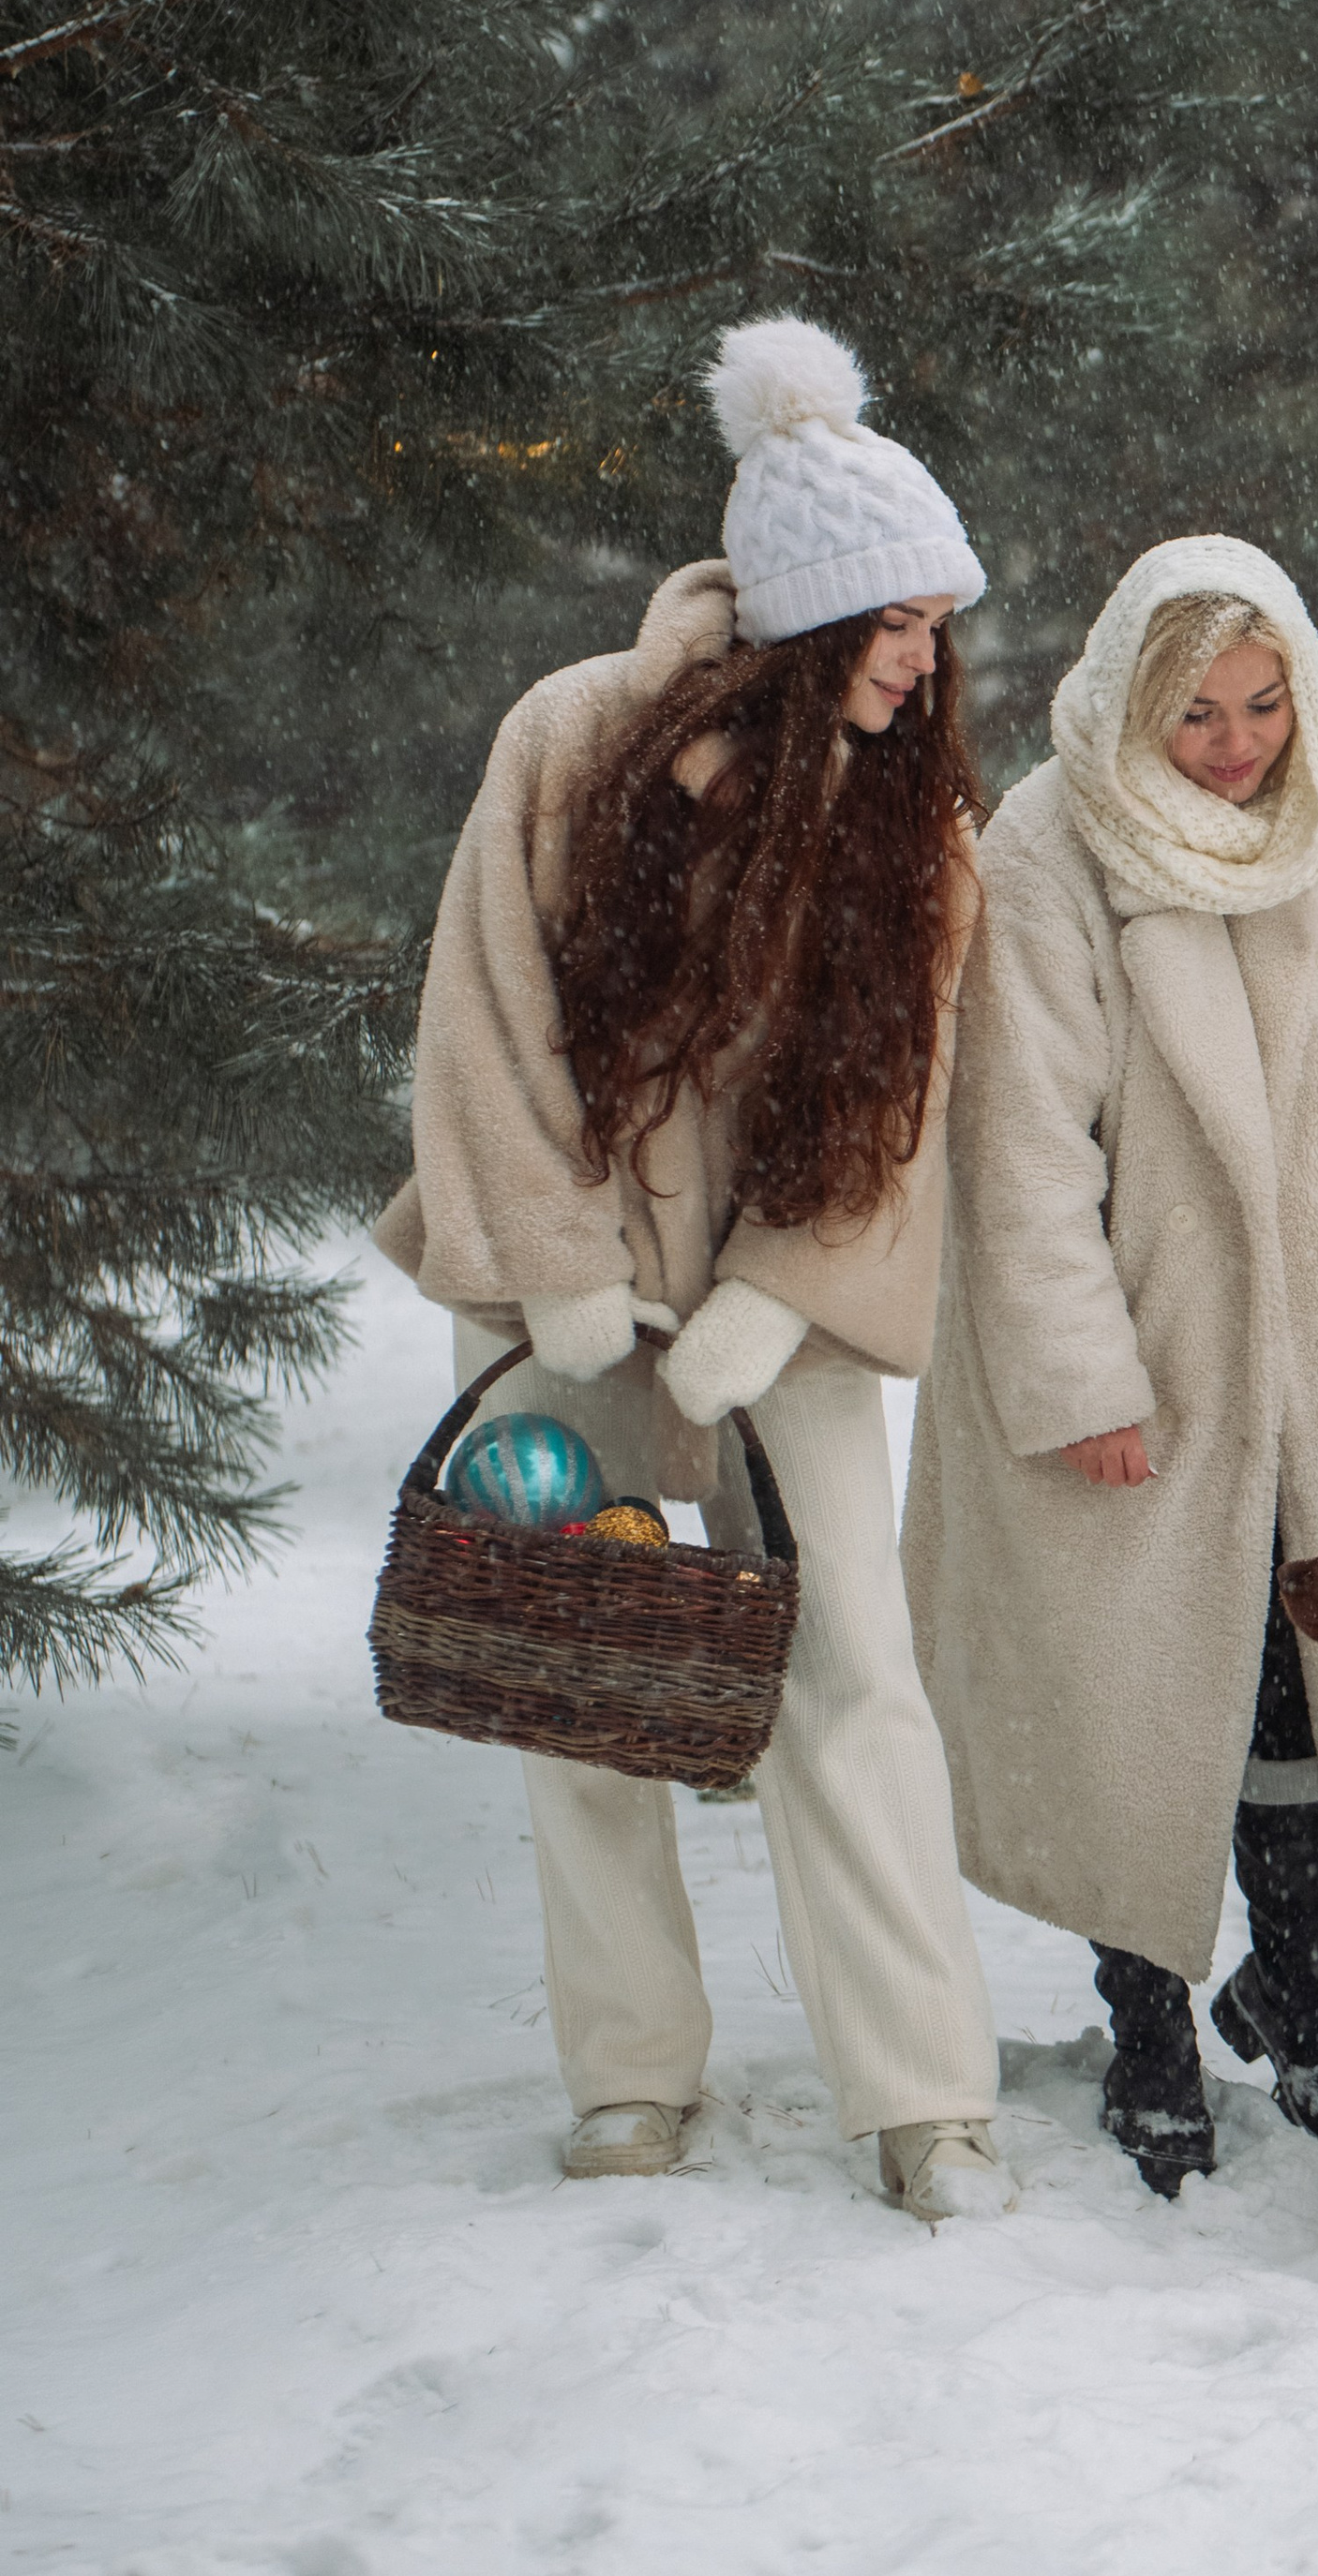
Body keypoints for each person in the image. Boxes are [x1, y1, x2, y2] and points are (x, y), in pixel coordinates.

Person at [374, 320, 1009, 2216]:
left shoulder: (915, 825)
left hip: (780, 1311)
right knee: (572, 1664)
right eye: (896, 621)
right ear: (807, 616)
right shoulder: (573, 737)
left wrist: (772, 1297)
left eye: (936, 624)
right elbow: (481, 1017)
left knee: (853, 1673)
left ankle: (922, 2096)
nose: (922, 658)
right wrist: (561, 1271)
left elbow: (900, 1100)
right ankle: (631, 2072)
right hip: (566, 1290)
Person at [901, 538, 1318, 2193]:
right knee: (1137, 1698)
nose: (1235, 746)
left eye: (1262, 704)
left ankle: (1290, 1990)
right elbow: (1022, 1144)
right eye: (1197, 714)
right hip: (1138, 1342)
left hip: (1301, 1345)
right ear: (1135, 704)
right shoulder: (1052, 840)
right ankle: (1146, 2017)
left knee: (1300, 1671)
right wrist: (1084, 1375)